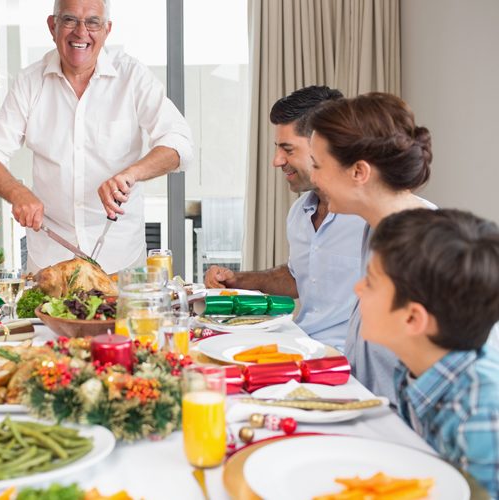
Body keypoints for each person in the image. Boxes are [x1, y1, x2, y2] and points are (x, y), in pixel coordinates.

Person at [0, 0, 194, 274]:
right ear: (52, 26)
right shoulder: (30, 82)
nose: (81, 32)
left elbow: (180, 144)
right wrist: (17, 192)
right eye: (70, 20)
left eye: (92, 22)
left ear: (107, 30)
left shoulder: (132, 77)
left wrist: (132, 173)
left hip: (121, 261)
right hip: (50, 263)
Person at [205, 86, 365, 351]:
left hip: (345, 360)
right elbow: (299, 278)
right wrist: (237, 280)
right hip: (300, 342)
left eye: (287, 149)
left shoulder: (373, 218)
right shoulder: (301, 211)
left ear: (323, 145)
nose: (277, 161)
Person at [356, 208, 499, 496]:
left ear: (412, 319)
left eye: (370, 282)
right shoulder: (417, 367)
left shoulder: (478, 412)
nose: (358, 288)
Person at [308, 92, 435, 403]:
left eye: (317, 165)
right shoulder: (374, 229)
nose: (312, 177)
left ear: (359, 172)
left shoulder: (428, 249)